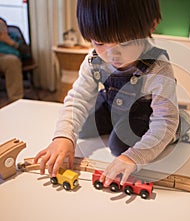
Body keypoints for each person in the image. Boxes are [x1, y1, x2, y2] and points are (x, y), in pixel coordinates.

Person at [34, 0, 180, 187]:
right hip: (114, 104)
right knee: (84, 127)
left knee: (118, 144)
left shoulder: (157, 68)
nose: (112, 55)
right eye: (100, 42)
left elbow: (164, 120)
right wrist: (62, 137)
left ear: (151, 25)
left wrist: (134, 157)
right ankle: (115, 123)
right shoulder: (93, 60)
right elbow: (78, 98)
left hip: (143, 111)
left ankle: (179, 128)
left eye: (125, 43)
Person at [0, 17, 28, 102]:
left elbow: (27, 52)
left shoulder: (13, 36)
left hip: (9, 58)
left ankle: (16, 100)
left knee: (12, 61)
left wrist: (10, 42)